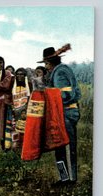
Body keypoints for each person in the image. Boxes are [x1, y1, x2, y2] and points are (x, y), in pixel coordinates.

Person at [37, 44, 81, 185]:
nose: (46, 66)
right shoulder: (59, 71)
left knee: (66, 145)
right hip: (63, 112)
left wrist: (46, 92)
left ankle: (70, 179)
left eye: (46, 63)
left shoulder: (60, 72)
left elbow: (65, 94)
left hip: (66, 112)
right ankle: (64, 178)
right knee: (60, 146)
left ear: (50, 62)